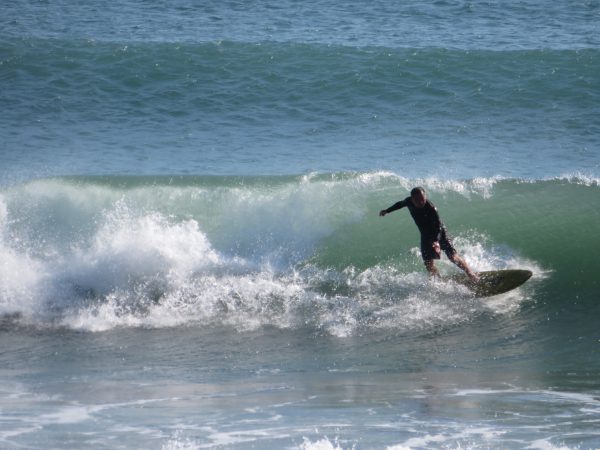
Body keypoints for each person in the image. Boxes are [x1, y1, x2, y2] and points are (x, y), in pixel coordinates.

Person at [379, 187, 479, 281]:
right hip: (426, 236)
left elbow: (439, 226)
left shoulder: (431, 208)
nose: (421, 202)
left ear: (425, 196)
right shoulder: (408, 201)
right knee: (428, 263)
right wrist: (387, 211)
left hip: (439, 233)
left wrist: (436, 241)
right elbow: (399, 204)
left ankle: (470, 273)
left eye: (423, 199)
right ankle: (439, 281)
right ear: (412, 199)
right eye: (418, 200)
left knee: (452, 256)